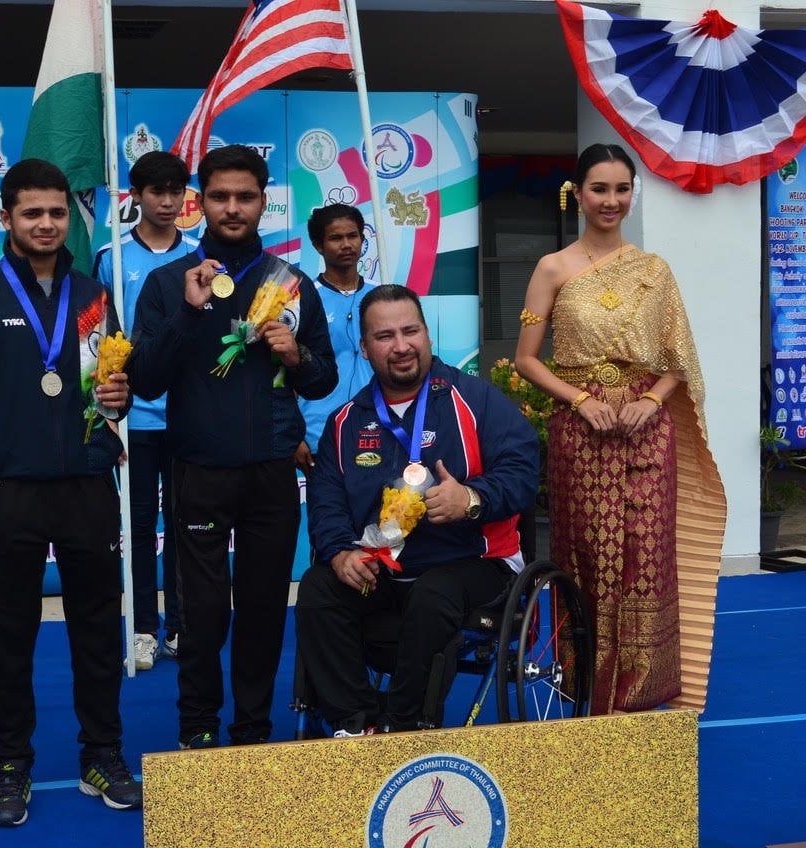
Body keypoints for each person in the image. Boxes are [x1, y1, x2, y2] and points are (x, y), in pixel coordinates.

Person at [0, 159, 140, 827]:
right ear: (7, 218)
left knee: (95, 630)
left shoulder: (93, 295)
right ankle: (10, 764)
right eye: (33, 213)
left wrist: (119, 396)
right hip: (13, 495)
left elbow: (109, 387)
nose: (47, 223)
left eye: (57, 212)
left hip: (87, 484)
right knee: (9, 636)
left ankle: (103, 753)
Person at [126, 144, 338, 749]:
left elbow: (320, 378)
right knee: (202, 614)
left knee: (266, 607)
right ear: (201, 203)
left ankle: (250, 729)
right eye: (220, 196)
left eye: (245, 197)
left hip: (272, 470)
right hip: (197, 468)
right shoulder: (172, 283)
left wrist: (295, 354)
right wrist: (189, 316)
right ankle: (197, 727)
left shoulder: (291, 284)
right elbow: (146, 380)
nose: (233, 208)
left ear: (264, 203)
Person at [514, 143, 725, 714]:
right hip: (582, 433)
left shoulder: (654, 271)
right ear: (577, 193)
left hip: (644, 431)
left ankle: (642, 687)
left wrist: (653, 401)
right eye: (599, 189)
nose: (611, 200)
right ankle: (581, 678)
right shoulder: (552, 267)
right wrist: (580, 400)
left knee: (645, 556)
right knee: (589, 552)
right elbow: (527, 360)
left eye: (622, 189)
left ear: (633, 194)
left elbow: (680, 361)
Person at [297, 285, 539, 734]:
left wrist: (471, 498)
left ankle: (404, 725)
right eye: (385, 336)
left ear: (428, 335)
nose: (401, 345)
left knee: (435, 592)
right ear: (365, 349)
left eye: (411, 331)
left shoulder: (476, 400)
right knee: (318, 588)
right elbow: (326, 498)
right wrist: (338, 551)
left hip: (474, 562)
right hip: (385, 568)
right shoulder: (346, 422)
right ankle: (356, 723)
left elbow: (523, 469)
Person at [93, 151, 197, 671]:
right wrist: (109, 413)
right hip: (133, 415)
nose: (166, 200)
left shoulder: (202, 258)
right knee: (136, 528)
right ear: (134, 197)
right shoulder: (111, 257)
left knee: (185, 523)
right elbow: (100, 341)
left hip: (188, 414)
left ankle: (179, 626)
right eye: (155, 191)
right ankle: (141, 629)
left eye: (175, 190)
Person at [294, 203, 379, 474]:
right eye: (335, 238)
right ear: (318, 245)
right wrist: (295, 434)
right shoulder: (301, 298)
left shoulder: (383, 297)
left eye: (353, 236)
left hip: (378, 430)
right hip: (318, 434)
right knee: (328, 514)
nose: (346, 244)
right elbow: (284, 372)